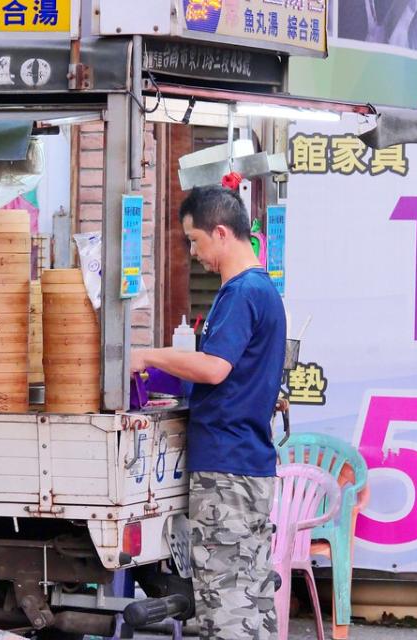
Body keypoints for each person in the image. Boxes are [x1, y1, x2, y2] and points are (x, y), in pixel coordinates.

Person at [130, 186, 285, 640]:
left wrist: (150, 356)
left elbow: (215, 369)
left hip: (227, 467)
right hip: (248, 463)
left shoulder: (241, 293)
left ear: (221, 233)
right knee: (251, 598)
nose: (193, 252)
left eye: (195, 240)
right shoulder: (261, 289)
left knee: (226, 606)